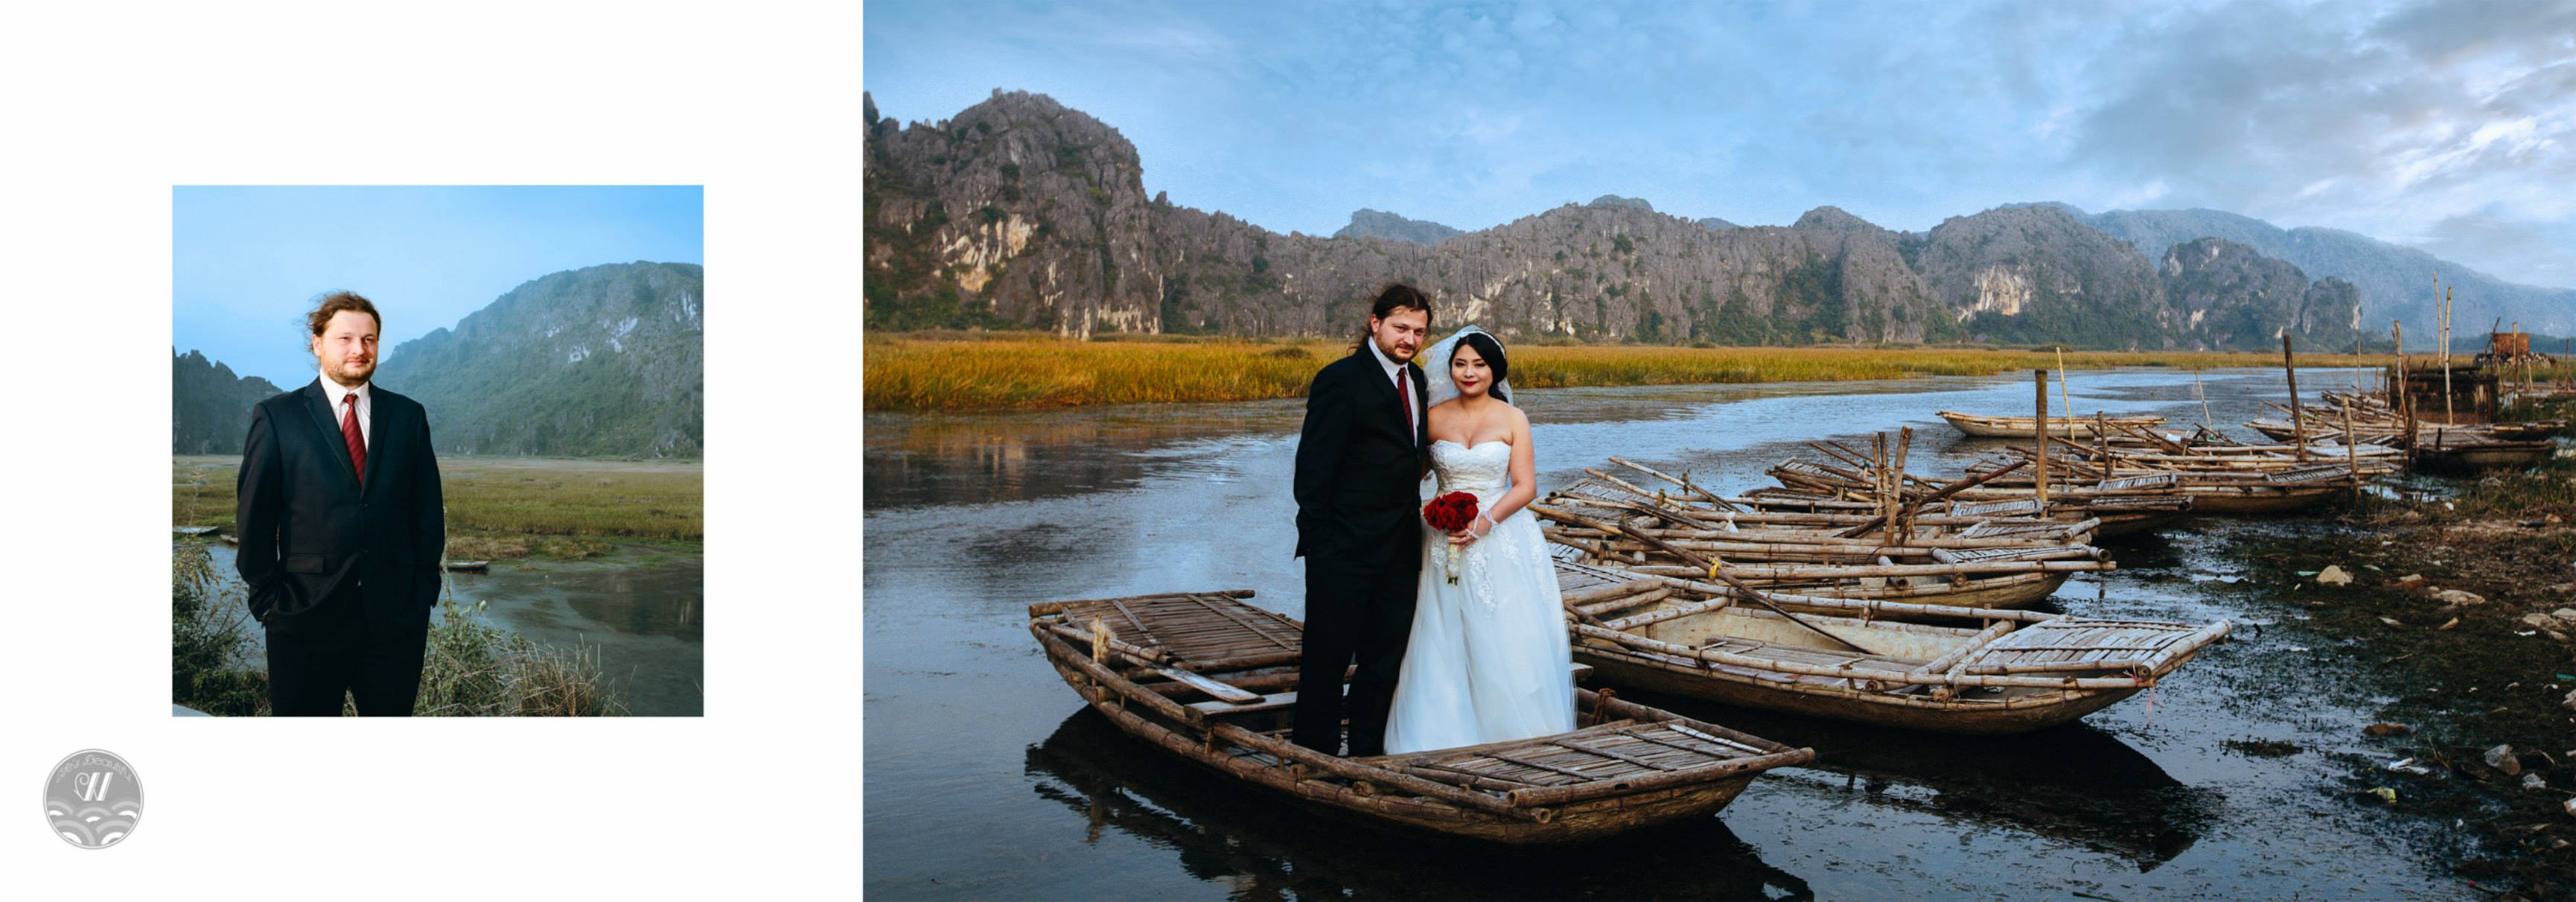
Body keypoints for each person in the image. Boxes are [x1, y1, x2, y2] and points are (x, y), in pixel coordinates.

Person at [236, 292, 447, 717]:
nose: (359, 349)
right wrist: (271, 603)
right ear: (318, 343)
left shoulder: (408, 416)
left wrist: (422, 590)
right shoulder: (278, 417)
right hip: (303, 619)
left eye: (369, 340)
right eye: (345, 338)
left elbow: (426, 512)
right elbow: (255, 519)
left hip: (394, 624)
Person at [1382, 326, 1575, 754]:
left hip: (1499, 538)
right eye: (1461, 364)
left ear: (1495, 371)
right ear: (1450, 369)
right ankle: (1442, 732)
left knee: (1505, 631)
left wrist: (1484, 523)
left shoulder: (1512, 419)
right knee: (1442, 629)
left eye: (1479, 365)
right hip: (1442, 539)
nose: (1469, 373)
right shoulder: (1433, 418)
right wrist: (1429, 512)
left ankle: (1514, 735)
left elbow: (1525, 487)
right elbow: (1411, 475)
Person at [1290, 282, 1433, 756]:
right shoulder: (1340, 380)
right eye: (1400, 327)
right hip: (1343, 549)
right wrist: (1321, 544)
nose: (1409, 339)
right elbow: (1312, 472)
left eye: (1418, 331)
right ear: (1375, 324)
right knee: (1326, 659)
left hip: (1399, 548)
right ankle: (1315, 754)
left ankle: (1368, 753)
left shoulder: (1417, 383)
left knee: (1384, 659)